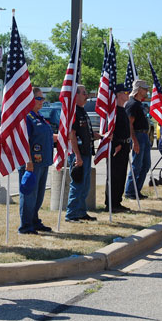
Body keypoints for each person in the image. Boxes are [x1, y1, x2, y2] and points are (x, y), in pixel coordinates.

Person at [18, 87, 57, 234]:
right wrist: (28, 162)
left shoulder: (39, 116)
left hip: (43, 162)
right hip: (31, 163)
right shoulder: (27, 117)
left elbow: (46, 136)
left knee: (39, 195)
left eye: (43, 98)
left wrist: (61, 138)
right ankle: (25, 226)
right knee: (29, 195)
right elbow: (24, 140)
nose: (42, 101)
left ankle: (34, 221)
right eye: (38, 98)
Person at [66, 85, 102, 222]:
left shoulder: (82, 111)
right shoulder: (73, 112)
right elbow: (72, 135)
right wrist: (77, 156)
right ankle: (71, 214)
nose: (87, 96)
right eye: (84, 93)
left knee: (85, 185)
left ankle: (81, 212)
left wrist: (99, 136)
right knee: (78, 184)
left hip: (86, 153)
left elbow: (85, 133)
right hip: (78, 154)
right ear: (76, 96)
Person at [104, 84, 132, 212]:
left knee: (121, 175)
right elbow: (110, 130)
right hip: (117, 147)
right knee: (114, 175)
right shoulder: (114, 111)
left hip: (125, 146)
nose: (128, 95)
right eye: (126, 92)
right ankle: (111, 203)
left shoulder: (122, 109)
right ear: (119, 94)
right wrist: (116, 144)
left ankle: (117, 201)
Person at [124, 80, 151, 200]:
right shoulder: (132, 104)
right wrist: (134, 140)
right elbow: (129, 124)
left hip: (145, 136)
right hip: (138, 135)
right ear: (138, 89)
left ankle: (137, 190)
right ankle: (130, 191)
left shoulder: (139, 104)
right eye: (145, 89)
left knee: (146, 165)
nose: (147, 91)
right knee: (137, 165)